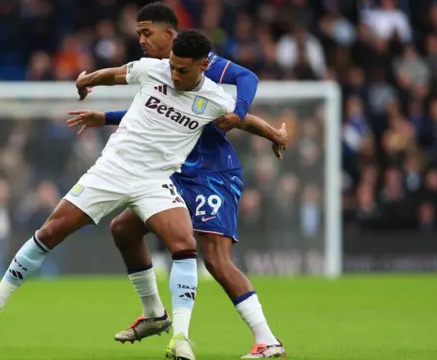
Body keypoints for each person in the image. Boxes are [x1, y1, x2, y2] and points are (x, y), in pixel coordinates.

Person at [0, 30, 239, 360]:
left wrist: (273, 134)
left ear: (202, 66)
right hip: (111, 170)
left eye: (182, 70)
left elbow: (243, 119)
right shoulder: (152, 69)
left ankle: (180, 339)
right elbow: (116, 74)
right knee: (49, 233)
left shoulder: (216, 100)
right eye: (172, 66)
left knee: (184, 244)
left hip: (154, 180)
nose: (173, 74)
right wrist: (88, 80)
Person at [65, 3, 287, 359]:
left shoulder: (203, 64)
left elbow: (241, 100)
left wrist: (269, 131)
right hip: (175, 172)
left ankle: (268, 341)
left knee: (215, 258)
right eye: (139, 34)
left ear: (169, 35)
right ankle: (155, 315)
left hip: (211, 174)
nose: (141, 41)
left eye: (146, 34)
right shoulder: (161, 72)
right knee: (123, 228)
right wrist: (105, 117)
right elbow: (152, 111)